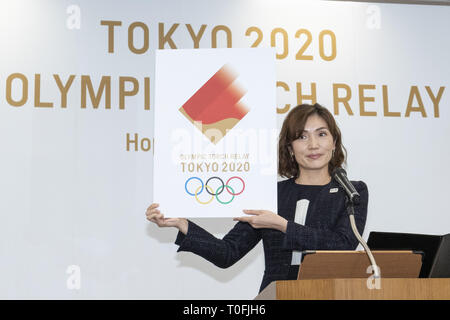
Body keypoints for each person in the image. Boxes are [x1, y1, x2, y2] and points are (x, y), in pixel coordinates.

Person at [146, 103, 368, 293]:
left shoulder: (351, 191)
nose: (313, 145)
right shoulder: (270, 194)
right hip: (275, 295)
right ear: (290, 148)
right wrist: (183, 224)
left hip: (331, 294)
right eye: (302, 136)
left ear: (334, 142)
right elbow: (227, 253)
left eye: (321, 134)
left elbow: (343, 244)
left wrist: (282, 226)